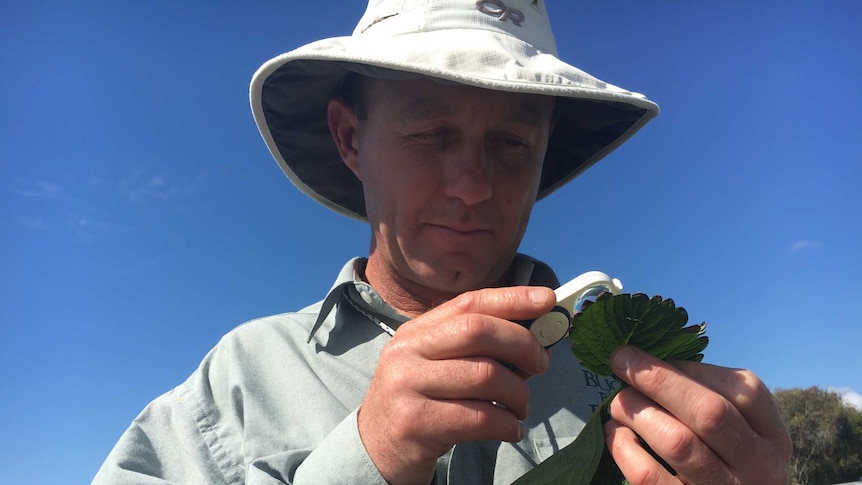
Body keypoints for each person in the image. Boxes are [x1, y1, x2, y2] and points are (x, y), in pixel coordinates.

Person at [93, 1, 791, 484]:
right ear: (349, 137)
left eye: (512, 142)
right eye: (430, 134)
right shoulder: (236, 385)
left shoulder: (632, 380)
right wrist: (369, 455)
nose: (472, 186)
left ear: (545, 153)